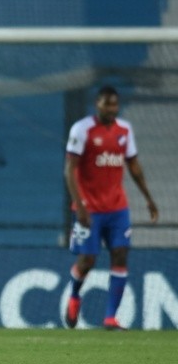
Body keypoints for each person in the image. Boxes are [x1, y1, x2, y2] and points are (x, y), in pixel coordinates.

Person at [64, 85, 158, 330]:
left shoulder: (125, 130)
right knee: (88, 260)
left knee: (120, 254)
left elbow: (134, 166)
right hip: (90, 209)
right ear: (98, 104)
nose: (112, 109)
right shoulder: (82, 129)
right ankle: (74, 296)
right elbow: (70, 170)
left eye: (115, 104)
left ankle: (110, 317)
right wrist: (80, 205)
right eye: (107, 104)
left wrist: (148, 198)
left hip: (118, 208)